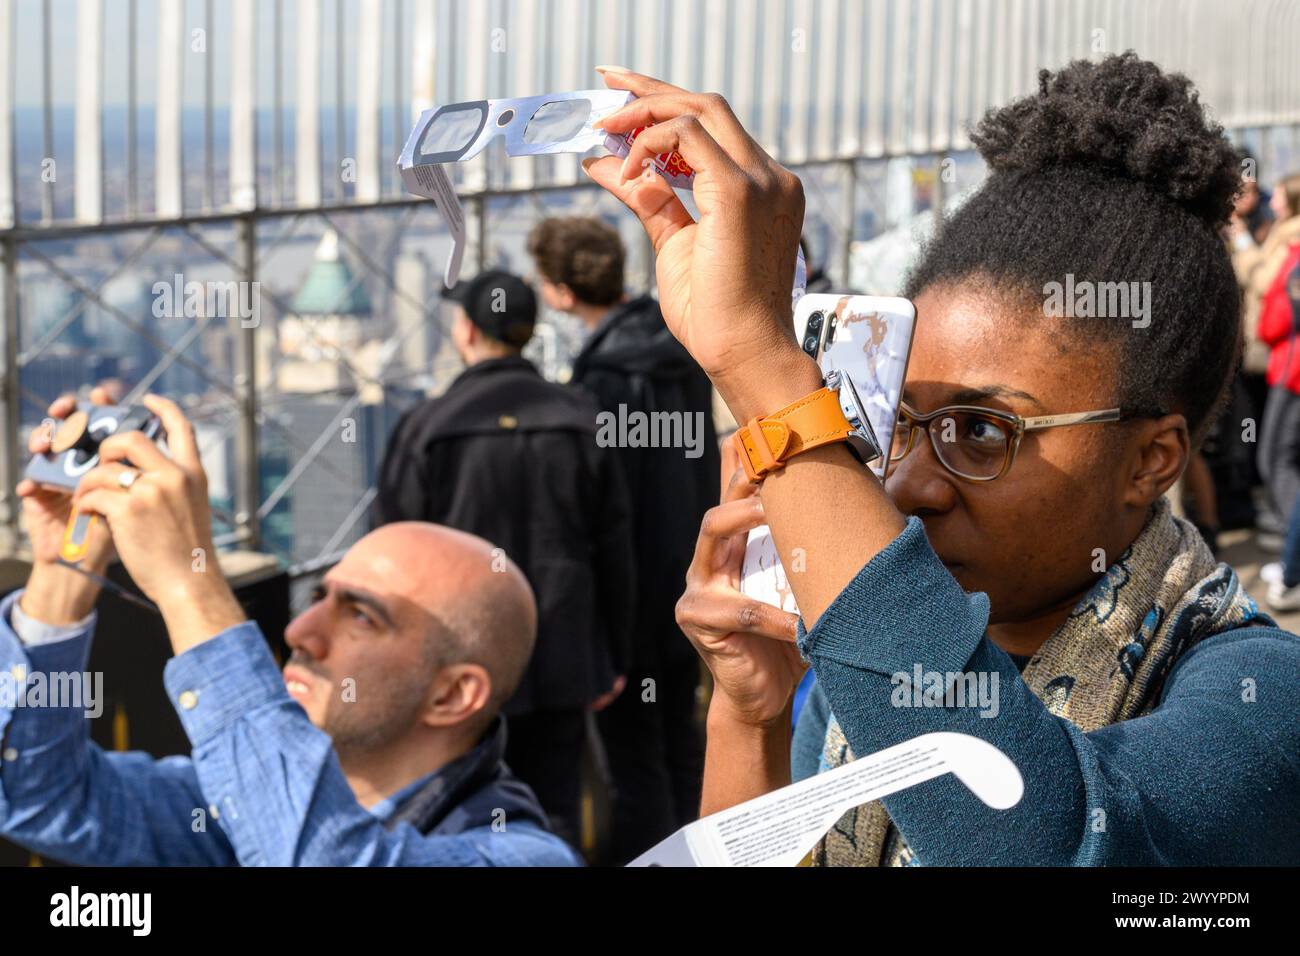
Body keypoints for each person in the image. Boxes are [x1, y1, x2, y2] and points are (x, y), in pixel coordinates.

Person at [582, 55, 1300, 864]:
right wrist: (750, 716)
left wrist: (760, 363)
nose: (910, 484)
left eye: (983, 433)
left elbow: (1041, 839)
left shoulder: (1263, 698)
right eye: (902, 424)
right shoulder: (864, 690)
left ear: (1150, 459)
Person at [0, 390, 580, 866]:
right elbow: (44, 798)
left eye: (361, 615)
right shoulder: (233, 804)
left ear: (453, 694)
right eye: (319, 597)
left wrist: (190, 585)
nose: (301, 631)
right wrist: (65, 571)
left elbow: (319, 855)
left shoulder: (517, 856)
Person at [372, 269, 634, 848]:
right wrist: (611, 654)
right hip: (565, 646)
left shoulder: (427, 427)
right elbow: (616, 545)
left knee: (462, 813)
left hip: (462, 654)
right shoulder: (583, 418)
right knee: (556, 806)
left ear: (465, 330)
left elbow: (391, 552)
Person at [527, 216, 719, 862]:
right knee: (684, 745)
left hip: (631, 598)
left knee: (634, 764)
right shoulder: (676, 346)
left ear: (559, 291)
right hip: (688, 576)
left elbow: (603, 509)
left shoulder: (596, 382)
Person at [1235, 172, 1300, 530]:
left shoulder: (1291, 240)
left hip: (1287, 362)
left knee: (1274, 455)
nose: (1269, 202)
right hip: (1280, 359)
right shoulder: (1284, 233)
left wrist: (1243, 243)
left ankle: (1292, 539)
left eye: (1275, 195)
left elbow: (1267, 286)